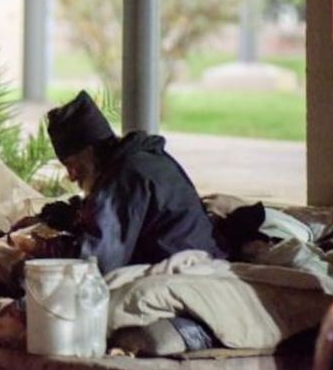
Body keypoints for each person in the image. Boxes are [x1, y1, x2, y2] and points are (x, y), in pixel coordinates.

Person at [40, 90, 224, 275]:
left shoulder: (126, 176)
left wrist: (41, 250)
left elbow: (96, 263)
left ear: (89, 152)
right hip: (200, 258)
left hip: (188, 272)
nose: (71, 176)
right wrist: (72, 217)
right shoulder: (139, 160)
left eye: (72, 166)